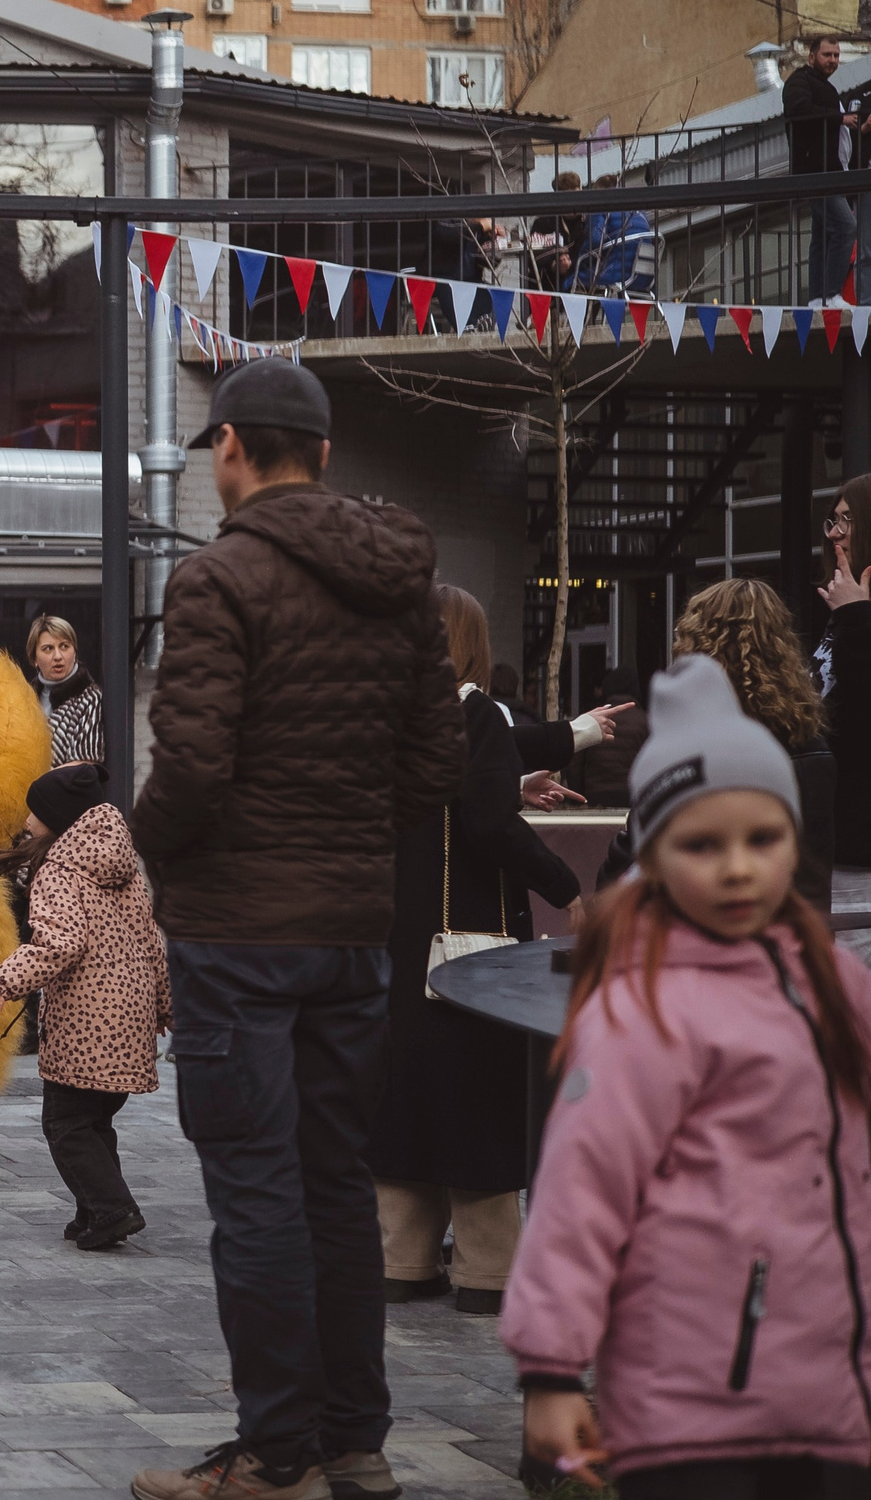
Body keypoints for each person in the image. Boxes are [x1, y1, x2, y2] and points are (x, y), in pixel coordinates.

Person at [129, 360, 465, 1500]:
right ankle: (351, 1441)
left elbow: (190, 768)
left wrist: (155, 853)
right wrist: (347, 834)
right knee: (334, 1186)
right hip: (351, 928)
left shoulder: (218, 579)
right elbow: (432, 763)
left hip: (237, 932)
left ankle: (276, 1455)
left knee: (256, 1194)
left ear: (231, 448)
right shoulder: (405, 587)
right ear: (320, 454)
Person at [505, 653, 871, 1495]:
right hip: (691, 1408)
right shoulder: (642, 1012)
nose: (738, 865)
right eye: (703, 844)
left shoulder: (836, 985)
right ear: (655, 857)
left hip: (832, 1395)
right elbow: (578, 1194)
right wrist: (553, 1371)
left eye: (762, 837)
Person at [371, 585, 578, 1319]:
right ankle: (488, 1271)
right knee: (479, 1103)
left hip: (398, 951)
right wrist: (566, 883)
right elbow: (489, 825)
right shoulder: (477, 713)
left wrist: (510, 779)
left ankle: (403, 1259)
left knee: (406, 1102)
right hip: (467, 956)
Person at [0, 762, 170, 1253]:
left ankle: (113, 1209)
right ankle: (93, 1212)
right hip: (130, 1015)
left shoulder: (61, 870)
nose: (26, 818)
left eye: (35, 810)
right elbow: (152, 942)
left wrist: (6, 981)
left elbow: (59, 942)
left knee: (65, 1124)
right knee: (94, 1121)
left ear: (58, 817)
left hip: (88, 1021)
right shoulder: (121, 864)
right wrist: (167, 1008)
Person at [646, 580, 838, 903]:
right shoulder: (810, 745)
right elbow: (811, 884)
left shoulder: (692, 749)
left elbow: (633, 863)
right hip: (789, 936)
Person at [817, 472, 871, 920]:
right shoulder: (846, 607)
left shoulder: (854, 612)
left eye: (848, 520)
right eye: (832, 521)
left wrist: (856, 617)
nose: (835, 533)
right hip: (831, 839)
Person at [787, 33, 862, 303]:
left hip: (828, 173)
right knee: (845, 227)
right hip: (815, 173)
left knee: (820, 236)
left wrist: (854, 129)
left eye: (836, 56)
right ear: (811, 57)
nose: (832, 60)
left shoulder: (824, 87)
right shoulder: (799, 81)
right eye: (827, 55)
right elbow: (799, 111)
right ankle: (831, 294)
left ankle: (818, 298)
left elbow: (834, 137)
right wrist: (838, 118)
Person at [565, 666, 649, 808]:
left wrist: (578, 797)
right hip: (633, 794)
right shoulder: (645, 721)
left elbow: (575, 764)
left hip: (597, 795)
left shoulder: (592, 720)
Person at [26, 614, 102, 765]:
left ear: (74, 653)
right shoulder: (25, 698)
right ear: (34, 658)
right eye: (48, 649)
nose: (58, 656)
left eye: (64, 646)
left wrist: (38, 783)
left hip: (62, 788)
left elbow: (86, 762)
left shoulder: (89, 697)